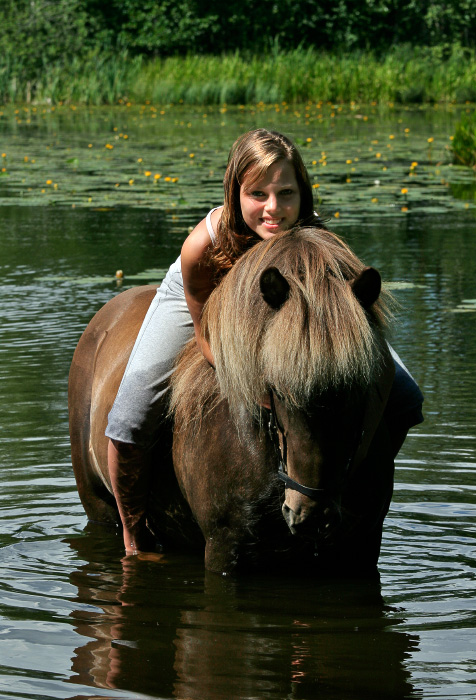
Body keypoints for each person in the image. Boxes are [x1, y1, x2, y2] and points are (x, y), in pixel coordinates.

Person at [105, 128, 424, 554]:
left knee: (406, 401)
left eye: (286, 193)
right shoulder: (202, 246)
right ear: (234, 192)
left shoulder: (314, 236)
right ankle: (133, 536)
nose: (273, 208)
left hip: (284, 302)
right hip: (209, 295)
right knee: (130, 417)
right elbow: (205, 338)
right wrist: (261, 384)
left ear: (302, 192)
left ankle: (346, 479)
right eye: (258, 194)